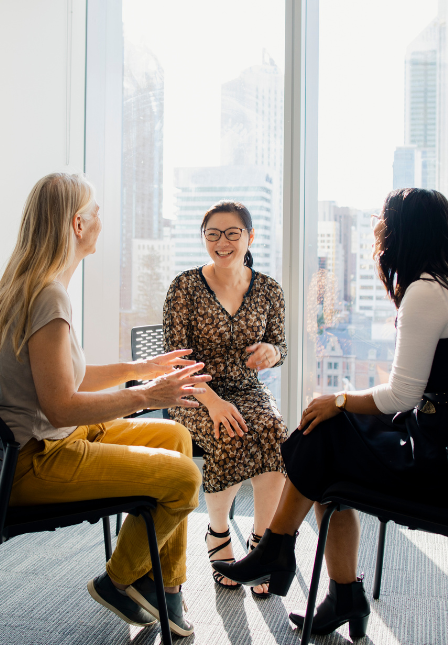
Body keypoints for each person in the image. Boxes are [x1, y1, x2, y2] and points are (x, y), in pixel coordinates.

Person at [213, 188, 448, 639]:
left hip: (439, 467)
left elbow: (401, 394)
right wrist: (338, 405)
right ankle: (319, 579)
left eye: (383, 220)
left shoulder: (424, 293)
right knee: (326, 439)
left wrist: (338, 399)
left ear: (403, 231)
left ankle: (282, 554)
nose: (378, 228)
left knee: (323, 433)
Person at [0, 172, 209, 637]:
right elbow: (62, 406)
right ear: (77, 225)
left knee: (176, 436)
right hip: (37, 461)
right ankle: (119, 580)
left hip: (42, 444)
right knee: (186, 477)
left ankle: (166, 586)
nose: (102, 221)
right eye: (96, 212)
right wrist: (148, 396)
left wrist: (139, 369)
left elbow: (67, 377)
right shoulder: (48, 297)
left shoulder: (34, 284)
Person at [163, 201, 288, 598]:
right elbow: (175, 363)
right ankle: (218, 535)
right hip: (193, 391)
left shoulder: (268, 290)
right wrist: (213, 402)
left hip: (246, 388)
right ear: (203, 239)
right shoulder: (184, 287)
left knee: (273, 431)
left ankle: (262, 543)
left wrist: (273, 352)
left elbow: (279, 345)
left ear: (250, 238)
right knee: (228, 431)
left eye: (232, 233)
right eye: (213, 234)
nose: (222, 242)